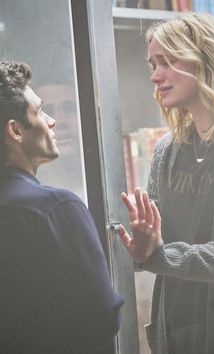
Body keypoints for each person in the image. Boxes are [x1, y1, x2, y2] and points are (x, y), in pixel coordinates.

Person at [118, 12, 214, 354]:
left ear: (208, 61)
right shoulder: (165, 150)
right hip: (176, 328)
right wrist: (141, 248)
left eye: (168, 61)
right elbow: (157, 245)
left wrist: (158, 256)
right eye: (153, 64)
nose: (156, 76)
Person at [0, 60, 124, 354]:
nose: (52, 120)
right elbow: (102, 320)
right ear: (16, 130)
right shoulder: (57, 209)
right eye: (40, 110)